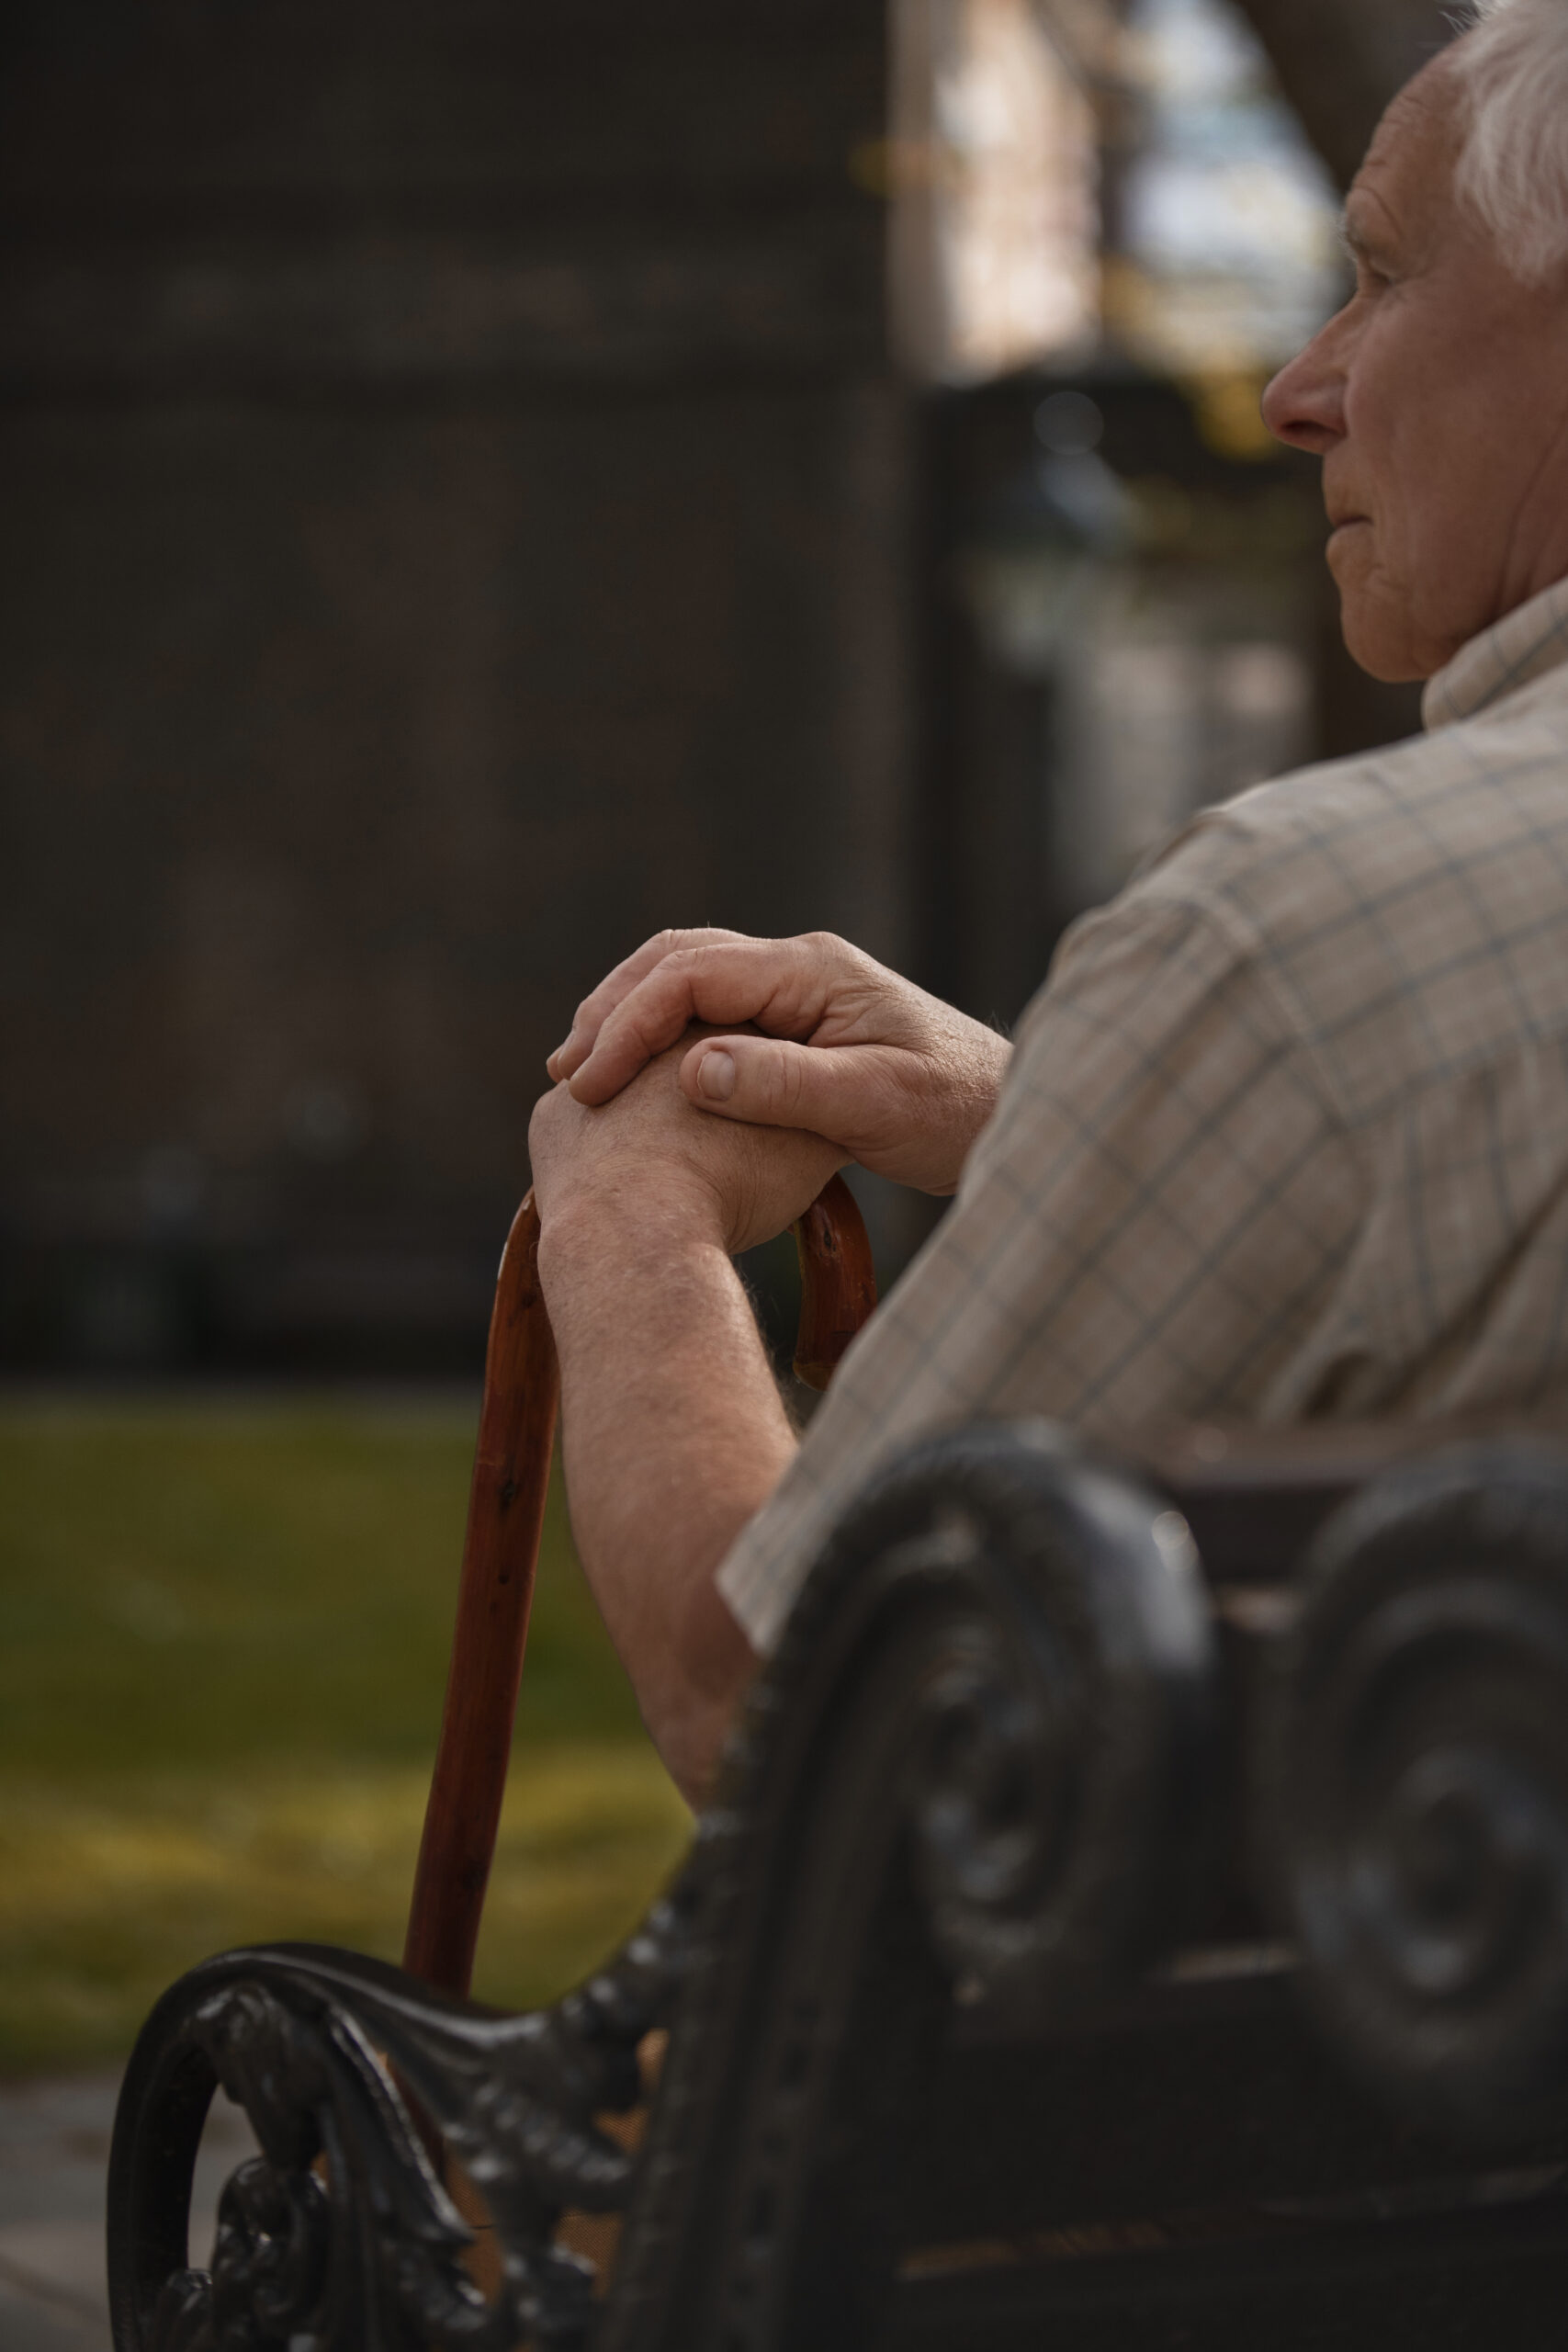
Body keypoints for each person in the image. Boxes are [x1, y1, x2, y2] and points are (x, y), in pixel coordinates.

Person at [528, 0, 1568, 1804]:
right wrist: (1061, 1120)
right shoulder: (1351, 986)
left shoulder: (1296, 935)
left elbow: (772, 1705)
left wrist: (622, 1224)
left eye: (1381, 277)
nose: (1290, 385)